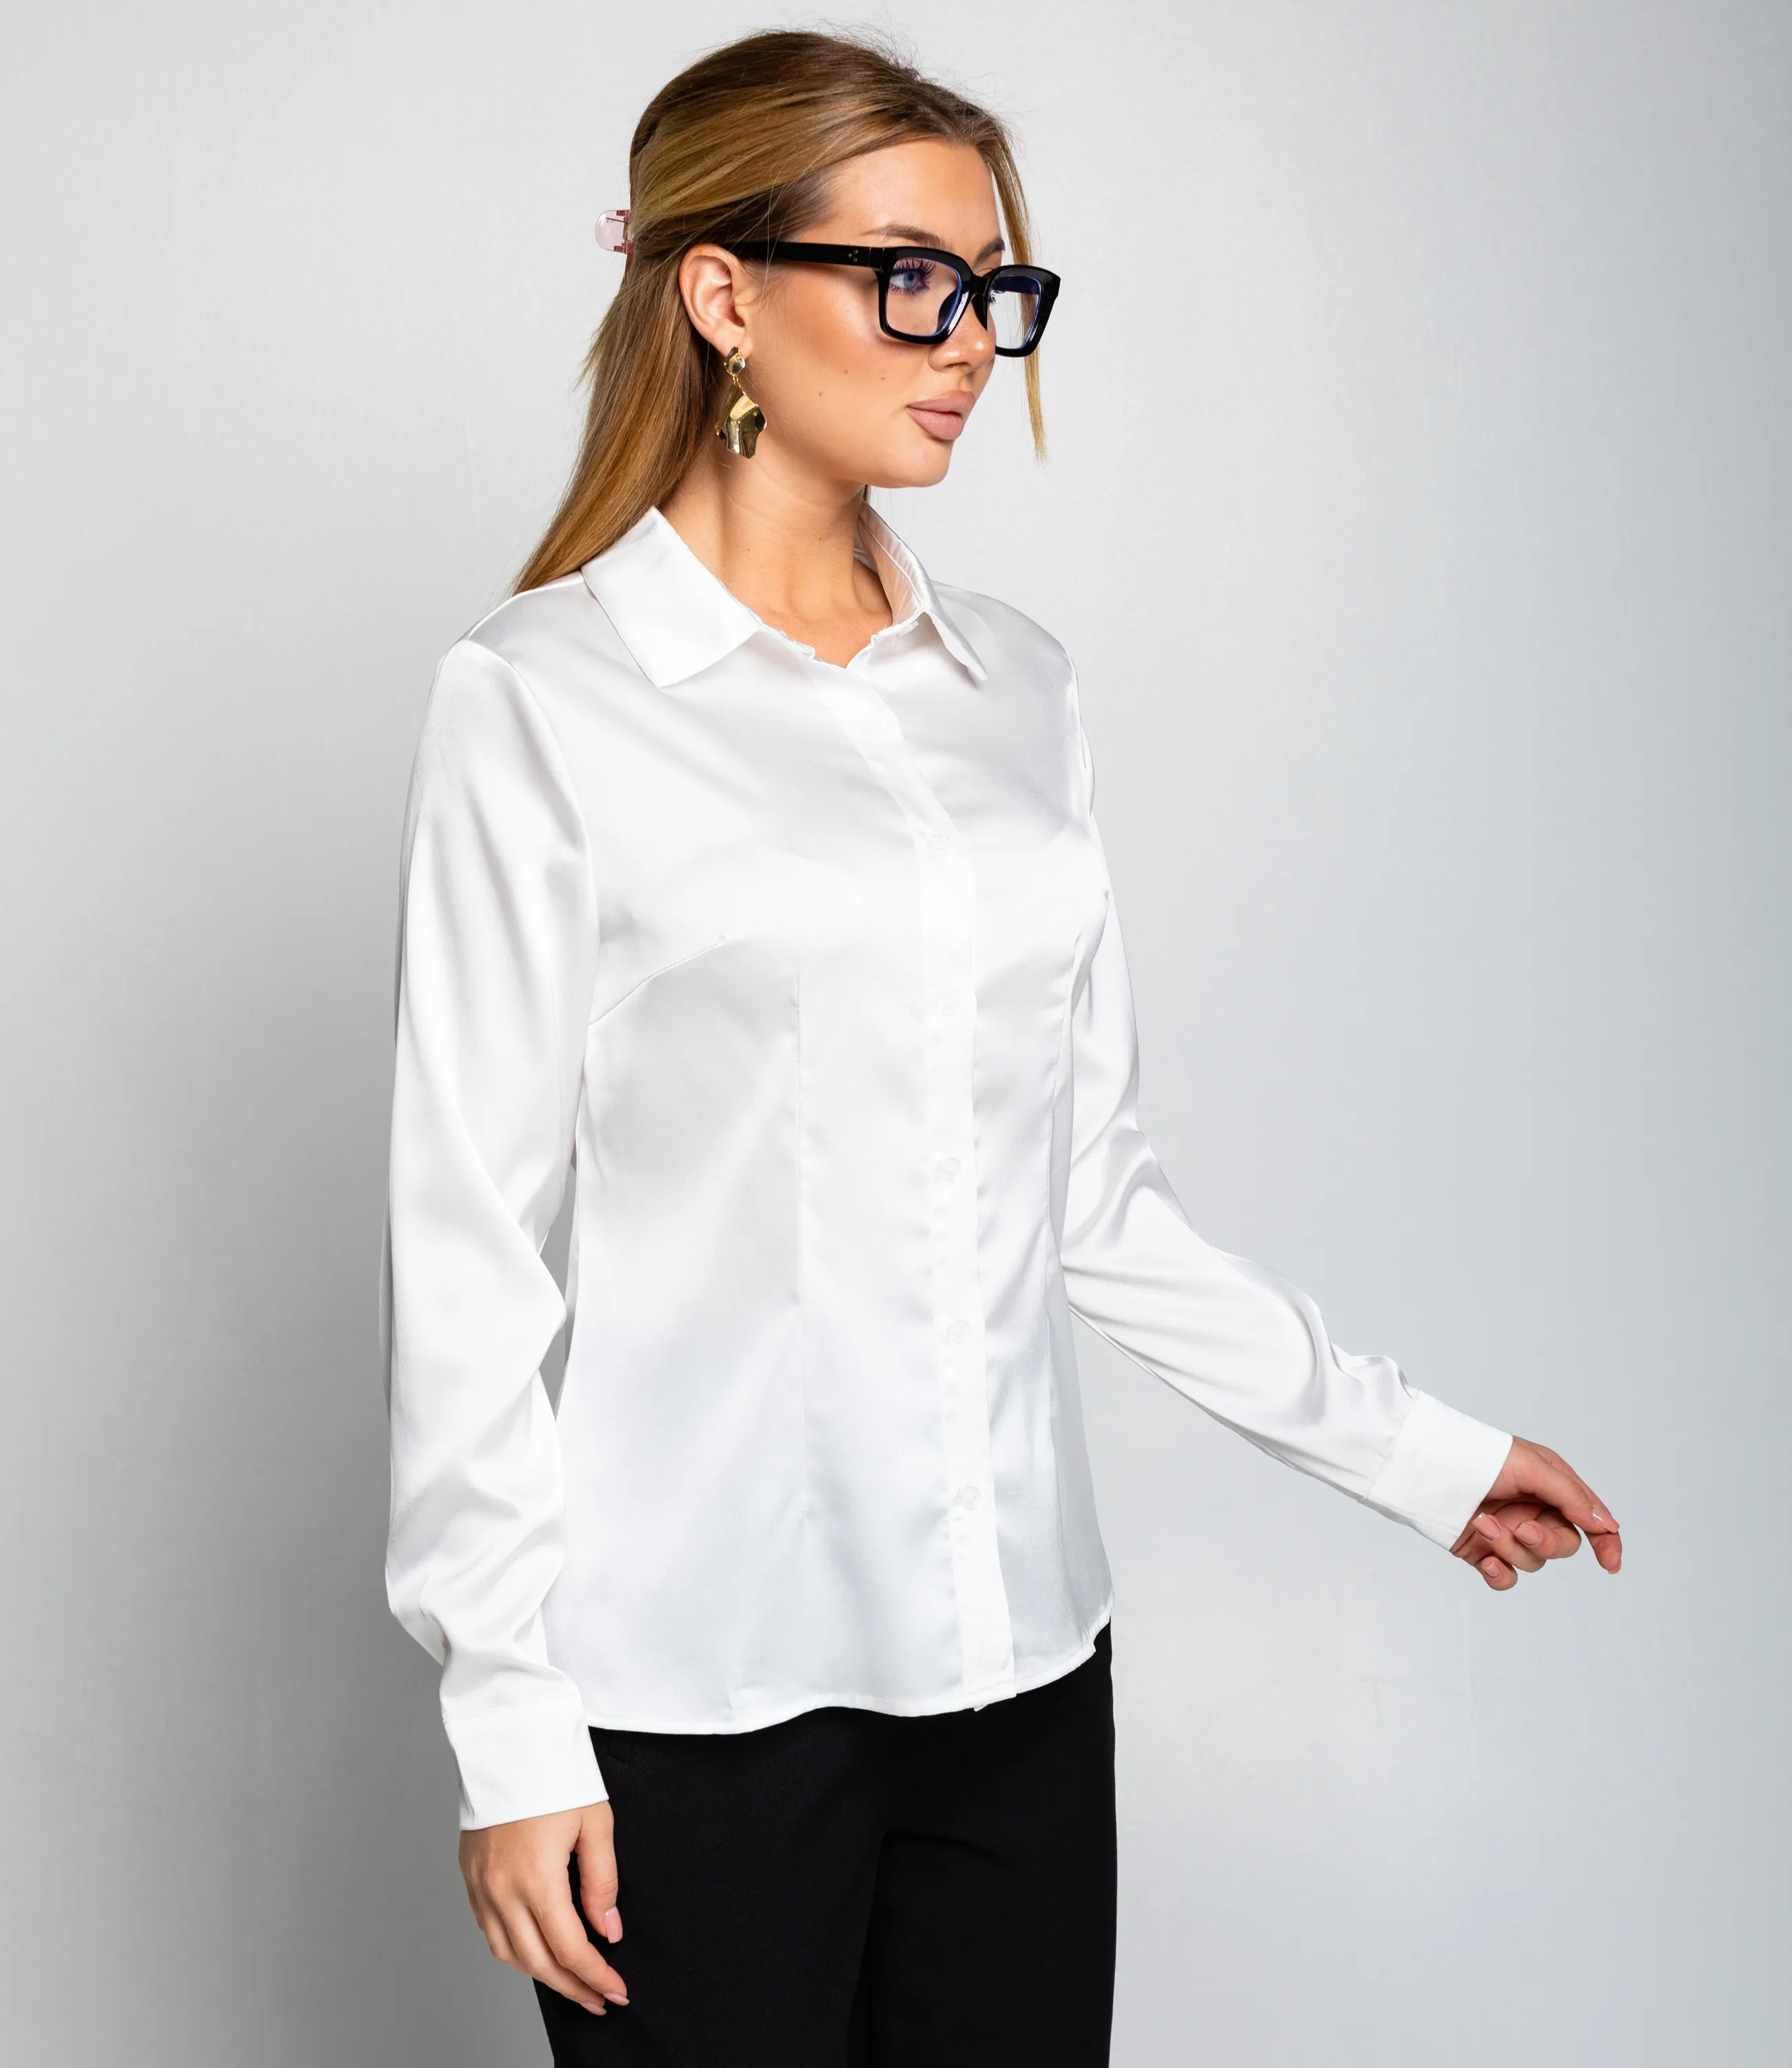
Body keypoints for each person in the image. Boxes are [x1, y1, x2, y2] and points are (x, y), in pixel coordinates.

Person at [379, 29, 1623, 2067]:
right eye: (912, 279)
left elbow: (1092, 1195)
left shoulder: (1017, 689)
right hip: (699, 1704)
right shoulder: (540, 702)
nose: (971, 341)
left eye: (996, 286)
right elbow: (469, 1251)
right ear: (722, 294)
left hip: (1024, 1678)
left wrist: (1422, 1456)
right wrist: (507, 1724)